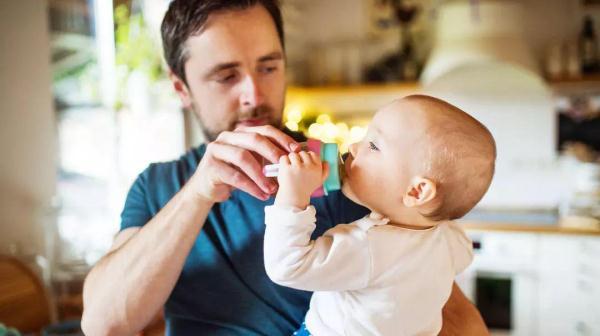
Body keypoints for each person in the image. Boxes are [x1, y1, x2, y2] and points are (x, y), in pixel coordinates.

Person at [80, 1, 489, 335]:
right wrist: (197, 193)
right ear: (180, 88)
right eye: (226, 76)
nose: (254, 94)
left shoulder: (351, 174)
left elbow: (443, 308)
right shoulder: (158, 186)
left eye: (269, 67)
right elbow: (104, 323)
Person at [264, 95, 496, 335]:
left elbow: (287, 267)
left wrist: (293, 197)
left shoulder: (368, 246)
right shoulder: (452, 241)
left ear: (416, 191)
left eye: (373, 146)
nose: (353, 147)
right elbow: (463, 256)